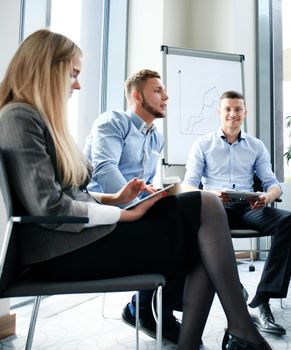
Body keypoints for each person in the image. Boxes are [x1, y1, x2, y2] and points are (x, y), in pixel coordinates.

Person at [0, 29, 272, 350]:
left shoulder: (39, 119)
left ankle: (224, 332)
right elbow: (50, 207)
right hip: (64, 250)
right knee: (204, 219)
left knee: (203, 219)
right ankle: (235, 330)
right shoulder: (20, 118)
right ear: (46, 70)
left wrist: (118, 200)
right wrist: (123, 213)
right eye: (72, 73)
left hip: (81, 234)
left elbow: (66, 192)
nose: (78, 84)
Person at [182, 90, 291, 336]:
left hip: (249, 207)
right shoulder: (203, 144)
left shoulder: (256, 145)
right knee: (197, 228)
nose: (232, 114)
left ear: (245, 113)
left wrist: (268, 196)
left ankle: (263, 298)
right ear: (219, 112)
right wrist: (212, 194)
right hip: (216, 208)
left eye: (238, 109)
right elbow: (188, 185)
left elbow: (272, 182)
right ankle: (234, 288)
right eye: (227, 109)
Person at [83, 69, 183, 343]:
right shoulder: (113, 121)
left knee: (186, 212)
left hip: (136, 209)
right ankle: (148, 309)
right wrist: (138, 205)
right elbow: (104, 170)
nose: (166, 96)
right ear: (137, 96)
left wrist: (153, 193)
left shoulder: (155, 137)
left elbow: (145, 181)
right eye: (158, 91)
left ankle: (151, 307)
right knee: (181, 218)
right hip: (106, 210)